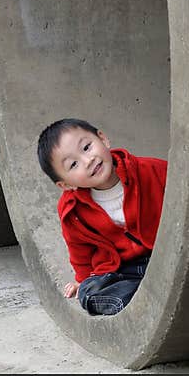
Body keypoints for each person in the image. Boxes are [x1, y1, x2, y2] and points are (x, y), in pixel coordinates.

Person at [36, 118, 167, 315]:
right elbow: (79, 248)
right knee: (89, 293)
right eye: (73, 164)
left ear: (103, 139)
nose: (88, 160)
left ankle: (158, 292)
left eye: (87, 147)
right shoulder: (72, 210)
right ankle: (144, 300)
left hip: (165, 253)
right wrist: (82, 280)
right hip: (124, 269)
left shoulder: (152, 170)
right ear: (65, 185)